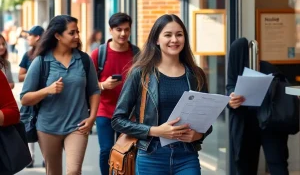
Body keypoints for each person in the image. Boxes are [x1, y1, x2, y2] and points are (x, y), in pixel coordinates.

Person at [111, 14, 212, 175]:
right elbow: (118, 120)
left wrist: (198, 134)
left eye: (179, 34)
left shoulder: (196, 74)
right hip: (151, 155)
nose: (174, 40)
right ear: (157, 40)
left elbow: (206, 121)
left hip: (187, 155)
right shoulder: (141, 73)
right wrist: (155, 131)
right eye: (168, 35)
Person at [20, 15, 100, 175]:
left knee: (74, 171)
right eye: (72, 33)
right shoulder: (41, 61)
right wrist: (47, 90)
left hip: (78, 125)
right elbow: (25, 98)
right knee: (53, 172)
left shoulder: (84, 60)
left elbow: (94, 90)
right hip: (48, 127)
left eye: (77, 32)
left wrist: (92, 118)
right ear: (57, 35)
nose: (77, 36)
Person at [227, 37, 289, 175]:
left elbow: (286, 88)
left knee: (277, 163)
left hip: (270, 123)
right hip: (246, 124)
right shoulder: (235, 70)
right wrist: (231, 99)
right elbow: (229, 88)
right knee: (245, 165)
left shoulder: (269, 68)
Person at [90, 12, 139, 175]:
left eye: (127, 29)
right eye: (119, 29)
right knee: (106, 150)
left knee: (127, 151)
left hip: (129, 113)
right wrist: (103, 85)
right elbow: (86, 84)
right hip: (104, 110)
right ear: (111, 30)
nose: (123, 34)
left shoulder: (137, 54)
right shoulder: (99, 53)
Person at [18, 25, 44, 168]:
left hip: (46, 98)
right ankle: (31, 158)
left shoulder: (47, 54)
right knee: (28, 127)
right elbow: (20, 76)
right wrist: (33, 73)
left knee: (43, 129)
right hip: (30, 96)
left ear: (38, 37)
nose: (28, 38)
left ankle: (47, 156)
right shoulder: (27, 55)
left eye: (30, 35)